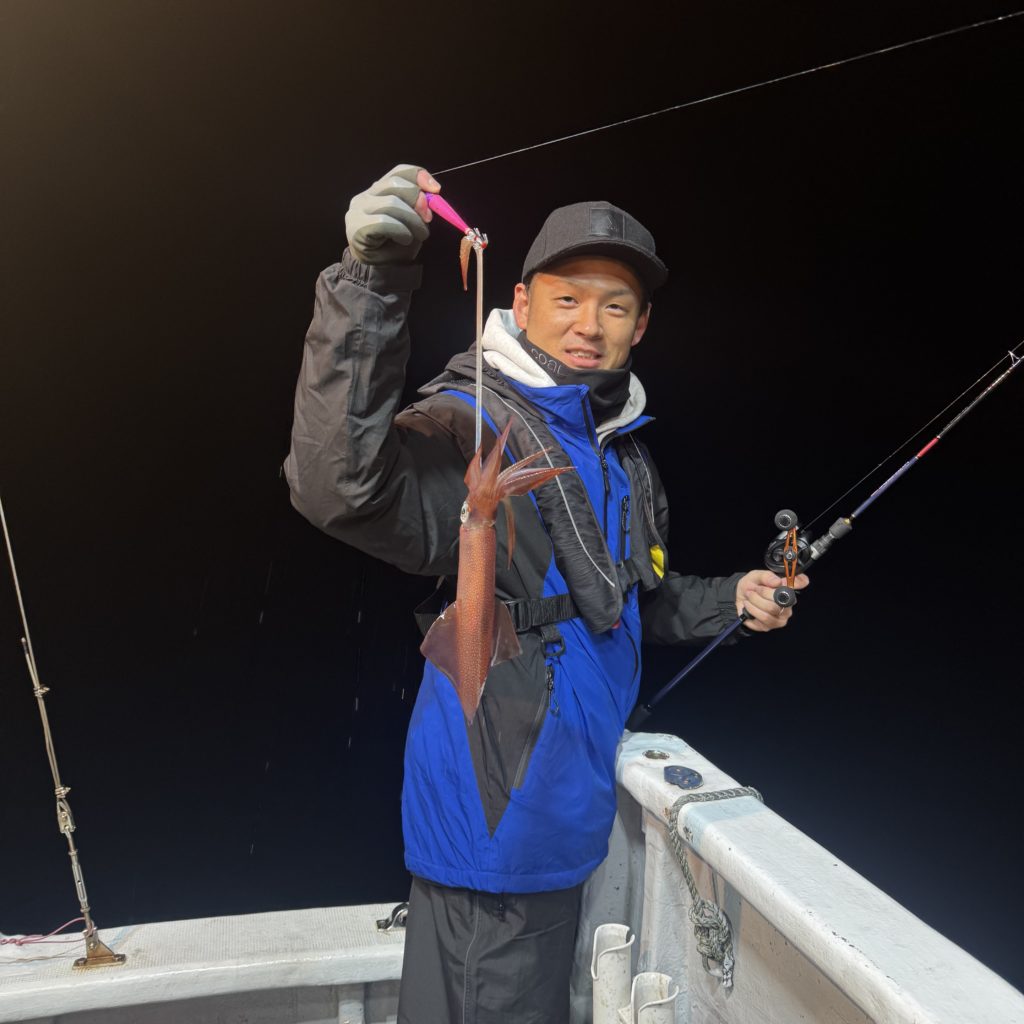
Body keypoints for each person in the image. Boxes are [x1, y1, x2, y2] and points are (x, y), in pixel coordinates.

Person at [285, 164, 808, 1023]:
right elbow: (338, 486)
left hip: (568, 815)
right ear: (521, 303)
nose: (588, 325)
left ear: (641, 325)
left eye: (615, 307)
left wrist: (733, 601)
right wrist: (370, 284)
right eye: (567, 299)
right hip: (499, 820)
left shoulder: (620, 449)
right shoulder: (471, 419)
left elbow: (627, 603)